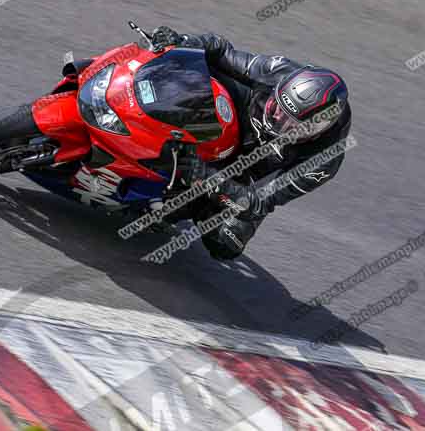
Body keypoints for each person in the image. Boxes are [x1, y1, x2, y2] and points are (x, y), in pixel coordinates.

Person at [149, 26, 351, 261]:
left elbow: (258, 202)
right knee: (196, 65)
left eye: (289, 123)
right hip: (245, 112)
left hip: (256, 173)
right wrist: (182, 41)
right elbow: (220, 49)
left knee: (226, 241)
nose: (276, 119)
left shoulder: (323, 159)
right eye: (278, 108)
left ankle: (186, 203)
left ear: (313, 130)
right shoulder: (279, 72)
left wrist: (203, 175)